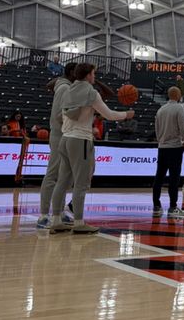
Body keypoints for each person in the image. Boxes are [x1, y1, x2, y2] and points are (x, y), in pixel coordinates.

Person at [49, 63, 134, 234]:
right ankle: (79, 223)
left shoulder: (68, 90)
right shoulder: (91, 92)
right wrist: (126, 115)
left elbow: (59, 116)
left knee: (62, 182)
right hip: (80, 141)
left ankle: (56, 220)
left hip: (65, 139)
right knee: (80, 184)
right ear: (88, 75)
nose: (94, 77)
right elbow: (109, 115)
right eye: (93, 74)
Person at [37, 62, 77, 230]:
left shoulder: (65, 86)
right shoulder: (65, 89)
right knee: (53, 174)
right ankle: (44, 215)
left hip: (64, 134)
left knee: (63, 177)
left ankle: (59, 212)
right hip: (60, 134)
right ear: (72, 73)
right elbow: (61, 115)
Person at [152, 86, 184, 217]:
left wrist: (161, 141)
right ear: (178, 96)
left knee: (159, 177)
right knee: (174, 178)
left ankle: (156, 205)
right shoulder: (179, 108)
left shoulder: (161, 109)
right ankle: (173, 207)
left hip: (162, 147)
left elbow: (156, 129)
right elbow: (183, 128)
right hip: (174, 148)